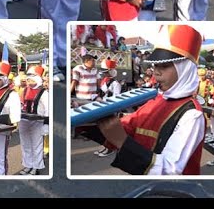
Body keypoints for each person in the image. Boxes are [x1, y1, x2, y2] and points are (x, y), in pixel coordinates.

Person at [82, 25, 205, 175]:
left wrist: (121, 141)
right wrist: (87, 120)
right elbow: (126, 126)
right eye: (155, 66)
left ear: (184, 69)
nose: (157, 73)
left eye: (164, 66)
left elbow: (170, 170)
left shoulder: (192, 115)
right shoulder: (156, 100)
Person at [18, 65, 50, 175]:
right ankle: (28, 165)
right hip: (24, 120)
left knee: (37, 145)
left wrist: (47, 124)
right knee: (25, 144)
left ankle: (36, 167)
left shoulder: (44, 92)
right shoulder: (25, 90)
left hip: (38, 121)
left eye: (31, 80)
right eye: (28, 80)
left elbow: (48, 109)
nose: (28, 82)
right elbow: (21, 103)